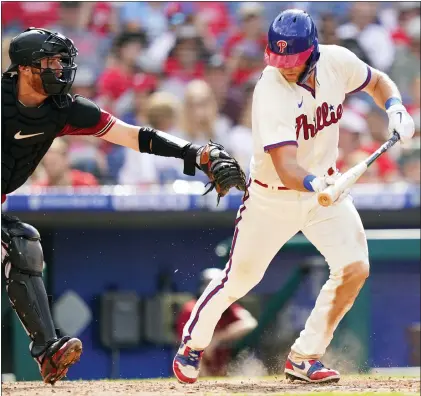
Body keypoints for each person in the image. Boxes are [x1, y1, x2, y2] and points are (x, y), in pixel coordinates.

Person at [173, 9, 415, 384]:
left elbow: (378, 81)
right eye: (278, 58)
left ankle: (304, 357)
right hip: (274, 198)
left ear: (313, 51)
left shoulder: (336, 61)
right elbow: (286, 166)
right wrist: (317, 184)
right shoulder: (270, 88)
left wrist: (395, 106)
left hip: (326, 190)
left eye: (293, 60)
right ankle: (192, 343)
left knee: (354, 267)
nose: (284, 66)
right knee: (239, 280)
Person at [1, 27, 246, 386]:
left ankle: (49, 351)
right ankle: (47, 347)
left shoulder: (63, 110)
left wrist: (193, 152)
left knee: (22, 247)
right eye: (49, 62)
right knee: (19, 244)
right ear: (24, 68)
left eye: (61, 61)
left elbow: (133, 135)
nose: (60, 69)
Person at [175, 268, 257, 377]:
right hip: (193, 366)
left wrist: (218, 338)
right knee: (194, 348)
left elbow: (249, 322)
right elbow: (186, 344)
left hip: (223, 366)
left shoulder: (227, 307)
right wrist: (204, 345)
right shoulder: (191, 309)